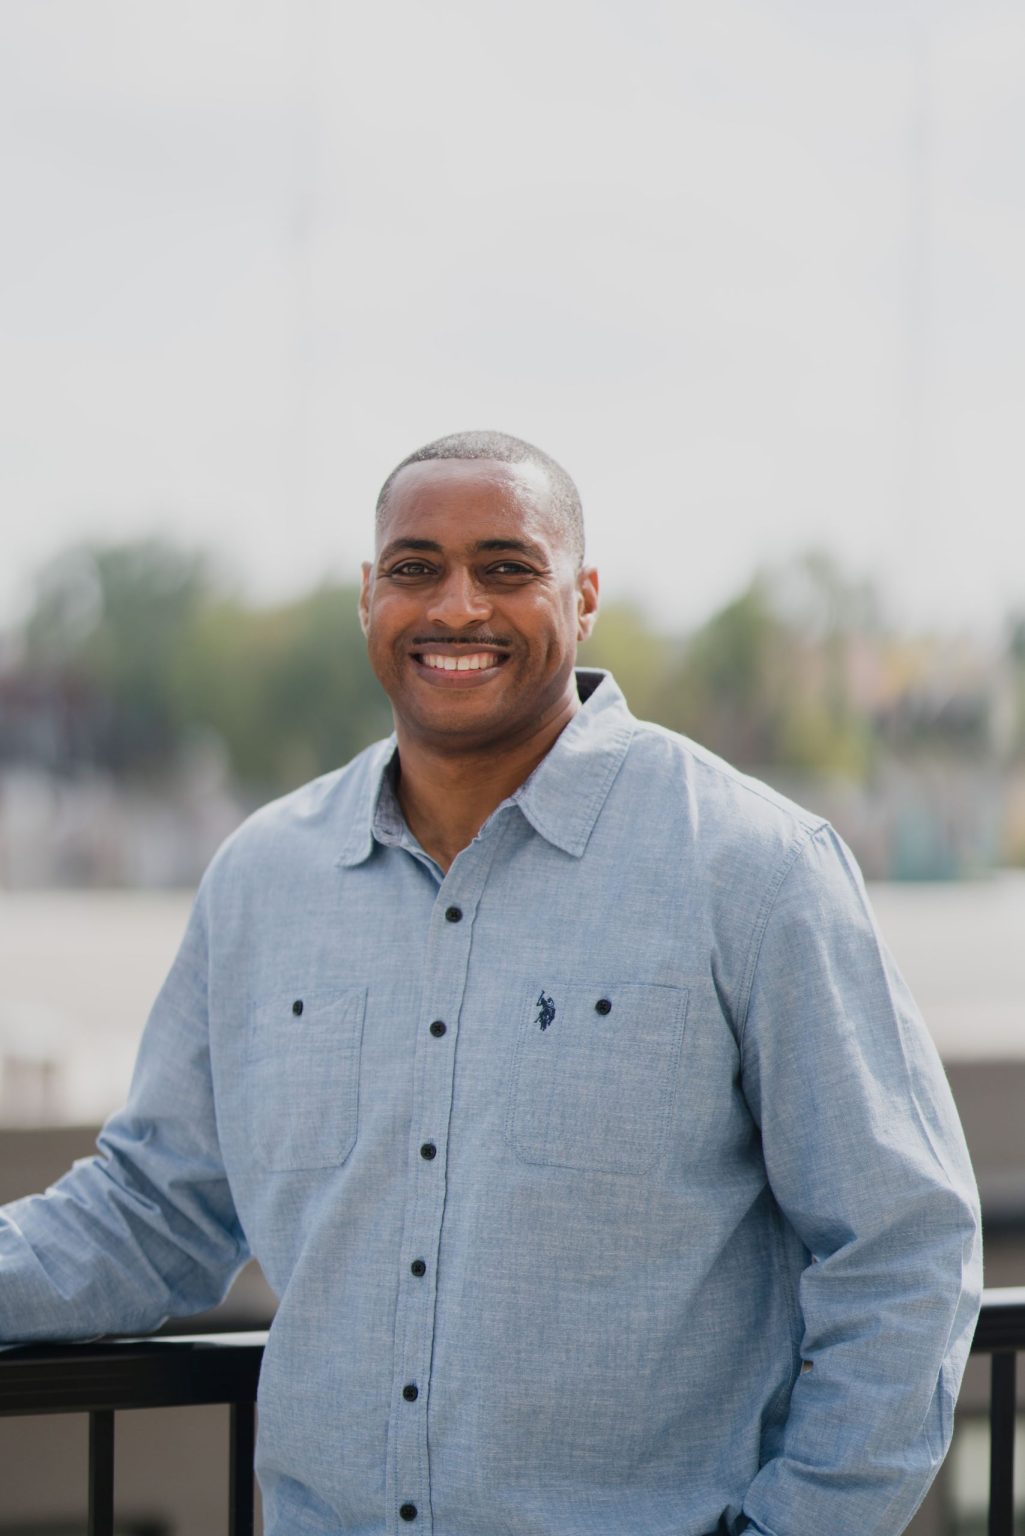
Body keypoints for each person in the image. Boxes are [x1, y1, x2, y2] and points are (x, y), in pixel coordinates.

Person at [1, 430, 981, 1536]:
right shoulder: (260, 881)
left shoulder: (751, 870)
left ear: (584, 595)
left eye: (506, 567)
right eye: (414, 568)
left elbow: (901, 1248)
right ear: (368, 597)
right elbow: (150, 1211)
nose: (456, 606)